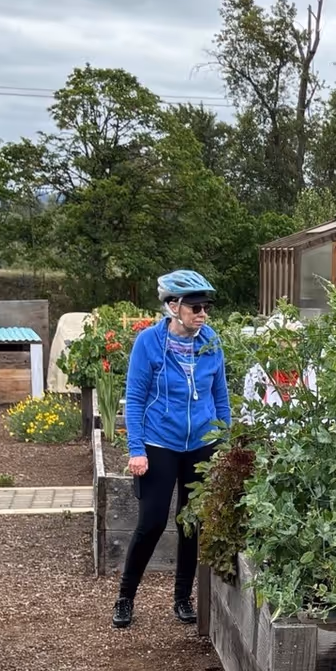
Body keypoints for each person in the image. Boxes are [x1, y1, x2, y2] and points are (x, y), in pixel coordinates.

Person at [113, 270, 230, 630]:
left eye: (206, 307)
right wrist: (136, 449)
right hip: (158, 443)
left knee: (191, 524)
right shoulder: (148, 343)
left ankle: (182, 598)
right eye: (196, 307)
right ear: (173, 306)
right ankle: (125, 597)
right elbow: (134, 400)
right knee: (150, 523)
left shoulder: (211, 342)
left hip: (201, 445)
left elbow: (220, 397)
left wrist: (224, 442)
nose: (203, 314)